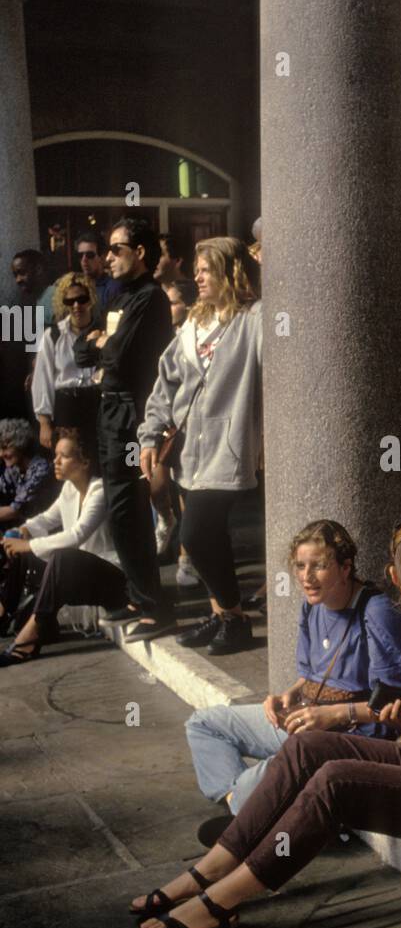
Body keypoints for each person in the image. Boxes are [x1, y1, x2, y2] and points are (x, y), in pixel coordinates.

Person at [130, 517, 401, 928]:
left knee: (334, 781)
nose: (305, 578)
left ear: (393, 577)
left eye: (316, 566)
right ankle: (210, 869)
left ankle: (218, 903)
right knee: (307, 747)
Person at [184, 518, 401, 845]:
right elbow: (310, 677)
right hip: (309, 718)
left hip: (353, 737)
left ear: (345, 567)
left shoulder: (377, 611)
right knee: (204, 724)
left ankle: (254, 807)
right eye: (300, 566)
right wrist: (286, 696)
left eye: (319, 566)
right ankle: (245, 808)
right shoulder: (313, 606)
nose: (306, 577)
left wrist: (335, 716)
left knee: (256, 782)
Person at [138, 237, 262, 655]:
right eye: (197, 268)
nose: (197, 276)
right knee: (212, 538)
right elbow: (165, 382)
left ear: (231, 272)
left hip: (227, 449)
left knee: (196, 532)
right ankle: (223, 615)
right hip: (189, 451)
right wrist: (150, 433)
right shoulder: (194, 322)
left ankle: (237, 618)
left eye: (207, 269)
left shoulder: (254, 319)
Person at [74, 216, 174, 641]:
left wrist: (102, 346)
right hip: (109, 413)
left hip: (132, 414)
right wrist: (98, 344)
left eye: (117, 249)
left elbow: (117, 357)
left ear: (141, 253)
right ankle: (138, 596)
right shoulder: (118, 298)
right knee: (119, 511)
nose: (109, 256)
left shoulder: (149, 299)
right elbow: (84, 349)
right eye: (109, 249)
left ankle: (153, 607)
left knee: (128, 509)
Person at [0, 428, 123, 665]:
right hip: (83, 574)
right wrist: (23, 532)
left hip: (111, 577)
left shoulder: (99, 491)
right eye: (55, 455)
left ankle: (31, 636)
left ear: (85, 462)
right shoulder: (70, 488)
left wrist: (29, 544)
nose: (55, 461)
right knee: (21, 551)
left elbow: (76, 535)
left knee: (61, 558)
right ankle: (4, 613)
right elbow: (47, 518)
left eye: (63, 456)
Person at [31, 273, 101, 454]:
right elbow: (42, 379)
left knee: (97, 462)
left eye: (81, 299)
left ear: (90, 299)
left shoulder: (103, 332)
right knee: (70, 463)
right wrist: (44, 423)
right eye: (70, 302)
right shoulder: (53, 336)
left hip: (97, 406)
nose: (76, 305)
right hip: (66, 408)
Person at [0, 418, 55, 528]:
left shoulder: (41, 469)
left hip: (44, 531)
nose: (1, 454)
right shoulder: (14, 469)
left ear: (20, 443)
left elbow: (15, 511)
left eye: (5, 448)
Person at [74, 231, 123, 312]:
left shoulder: (113, 288)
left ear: (102, 257)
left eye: (90, 255)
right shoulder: (76, 287)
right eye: (80, 255)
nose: (84, 260)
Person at [11, 249, 56, 325]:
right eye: (15, 275)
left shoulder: (54, 297)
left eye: (22, 272)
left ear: (38, 270)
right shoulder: (41, 298)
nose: (18, 280)